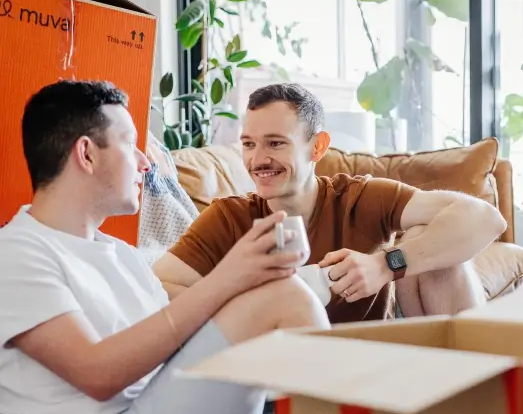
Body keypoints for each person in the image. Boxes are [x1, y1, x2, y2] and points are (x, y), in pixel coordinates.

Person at [0, 80, 330, 414]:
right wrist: (229, 277)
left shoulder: (122, 255)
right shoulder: (17, 253)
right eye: (131, 145)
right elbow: (98, 374)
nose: (146, 162)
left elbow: (184, 379)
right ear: (86, 155)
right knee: (280, 296)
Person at [153, 83, 507, 324]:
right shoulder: (229, 217)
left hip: (379, 361)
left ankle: (474, 407)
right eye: (248, 144)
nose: (258, 159)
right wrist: (241, 297)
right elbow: (157, 288)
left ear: (317, 147)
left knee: (439, 253)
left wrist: (385, 265)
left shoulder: (358, 198)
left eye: (275, 143)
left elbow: (486, 219)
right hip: (284, 374)